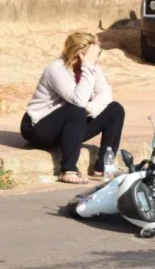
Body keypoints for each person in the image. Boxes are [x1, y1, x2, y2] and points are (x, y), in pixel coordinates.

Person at [21, 32, 125, 184]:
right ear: (76, 54)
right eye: (88, 55)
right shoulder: (57, 69)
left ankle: (103, 167)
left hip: (68, 127)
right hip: (38, 128)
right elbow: (78, 100)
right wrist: (88, 66)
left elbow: (105, 94)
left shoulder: (91, 67)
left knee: (115, 109)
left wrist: (90, 108)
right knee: (76, 109)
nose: (93, 59)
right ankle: (68, 170)